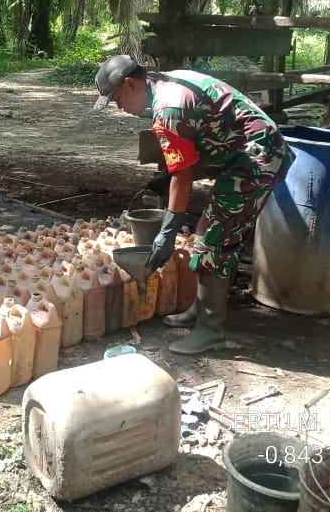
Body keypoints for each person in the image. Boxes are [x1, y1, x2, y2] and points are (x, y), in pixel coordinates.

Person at [93, 55, 291, 354]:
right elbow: (200, 141)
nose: (120, 107)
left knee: (212, 240)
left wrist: (167, 232)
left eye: (117, 98)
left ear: (130, 84)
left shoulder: (168, 108)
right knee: (217, 235)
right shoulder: (166, 83)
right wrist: (169, 179)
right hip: (245, 153)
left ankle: (211, 330)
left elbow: (183, 175)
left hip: (256, 160)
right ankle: (200, 309)